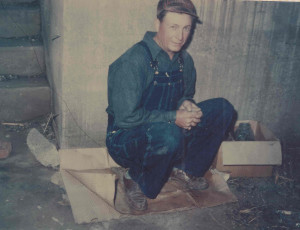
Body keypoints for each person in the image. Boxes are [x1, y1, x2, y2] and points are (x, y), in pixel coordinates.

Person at [106, 0, 234, 212]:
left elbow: (186, 95)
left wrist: (186, 104)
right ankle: (132, 177)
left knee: (222, 108)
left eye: (186, 28)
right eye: (173, 27)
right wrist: (174, 117)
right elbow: (125, 119)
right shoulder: (132, 62)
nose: (180, 36)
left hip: (167, 131)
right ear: (158, 24)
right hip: (125, 139)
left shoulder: (185, 60)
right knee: (169, 135)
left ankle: (184, 169)